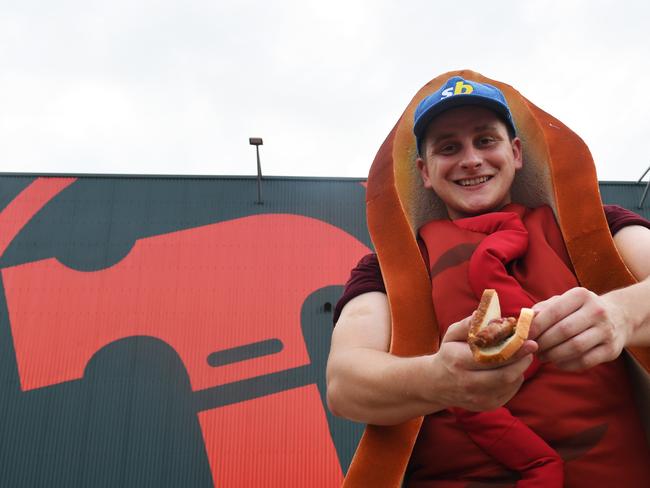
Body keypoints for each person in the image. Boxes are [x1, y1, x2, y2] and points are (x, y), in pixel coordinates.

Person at [326, 76, 650, 486]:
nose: (471, 159)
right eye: (449, 147)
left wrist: (622, 315)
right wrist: (438, 380)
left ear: (515, 153)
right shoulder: (385, 268)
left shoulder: (598, 227)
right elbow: (345, 383)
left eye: (485, 140)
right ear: (425, 172)